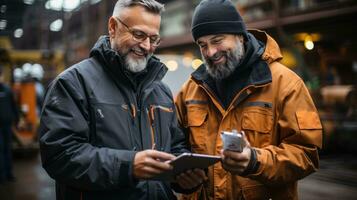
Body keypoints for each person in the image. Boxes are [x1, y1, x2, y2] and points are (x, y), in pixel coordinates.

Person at [39, 0, 206, 199]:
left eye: (154, 39)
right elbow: (60, 155)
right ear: (113, 27)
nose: (146, 46)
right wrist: (129, 165)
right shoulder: (73, 84)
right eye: (138, 34)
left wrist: (183, 176)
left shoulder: (161, 90)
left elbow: (175, 146)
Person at [175, 0, 323, 199]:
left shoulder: (286, 85)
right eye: (203, 45)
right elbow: (173, 144)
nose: (210, 52)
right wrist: (181, 176)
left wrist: (255, 161)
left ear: (240, 36)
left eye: (217, 40)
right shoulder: (191, 90)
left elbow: (306, 154)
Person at [0, 66, 18, 184]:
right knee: (1, 150)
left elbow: (13, 106)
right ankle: (2, 176)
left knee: (8, 149)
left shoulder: (7, 89)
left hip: (7, 125)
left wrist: (17, 120)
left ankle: (9, 174)